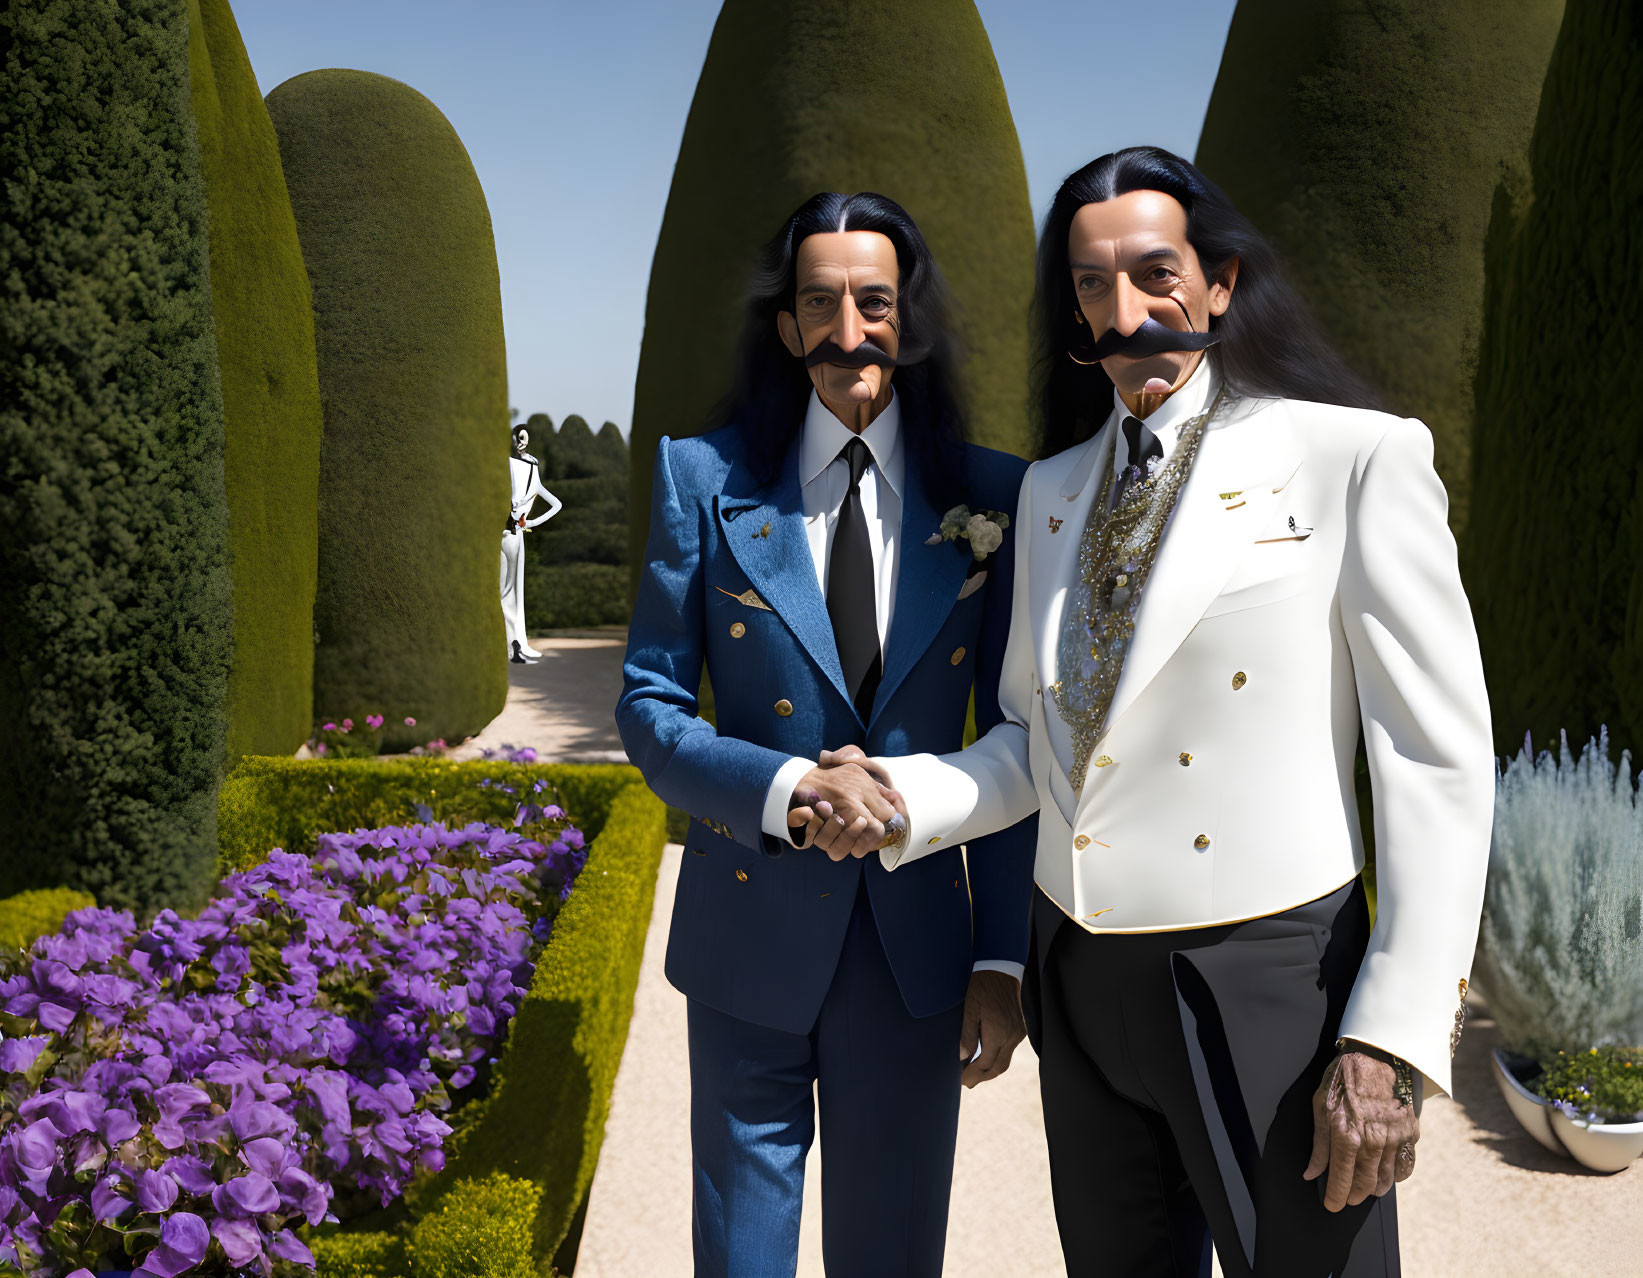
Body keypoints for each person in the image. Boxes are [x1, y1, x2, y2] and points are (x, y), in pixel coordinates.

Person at [829, 147, 1494, 1277]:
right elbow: (1029, 747)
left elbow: (1433, 763)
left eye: (1153, 273)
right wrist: (898, 800)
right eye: (1091, 286)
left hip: (1263, 981)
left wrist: (1384, 1038)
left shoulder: (1350, 459)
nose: (1124, 311)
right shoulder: (1049, 492)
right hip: (1078, 980)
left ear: (1219, 281)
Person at [615, 191, 1037, 1277]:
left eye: (874, 301)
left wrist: (999, 955)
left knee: (891, 1254)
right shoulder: (700, 482)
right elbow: (650, 707)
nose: (848, 331)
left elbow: (1010, 735)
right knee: (740, 1259)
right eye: (820, 303)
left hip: (914, 953)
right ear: (787, 326)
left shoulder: (991, 495)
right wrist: (788, 790)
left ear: (912, 319)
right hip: (746, 939)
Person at [502, 424, 562, 663]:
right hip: (517, 533)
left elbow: (555, 504)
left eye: (522, 437)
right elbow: (556, 504)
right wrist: (532, 522)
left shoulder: (514, 465)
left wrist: (530, 522)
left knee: (509, 591)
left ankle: (516, 646)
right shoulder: (530, 468)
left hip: (510, 532)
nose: (519, 441)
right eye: (518, 437)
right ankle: (517, 645)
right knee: (513, 592)